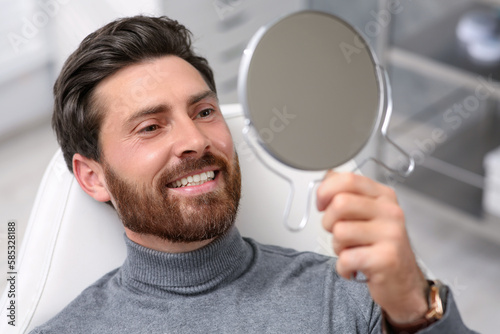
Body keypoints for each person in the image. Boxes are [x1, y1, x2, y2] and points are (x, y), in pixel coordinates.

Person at [30, 15, 476, 334]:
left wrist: (417, 310)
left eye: (204, 111)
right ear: (93, 178)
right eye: (150, 127)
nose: (196, 140)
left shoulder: (350, 297)